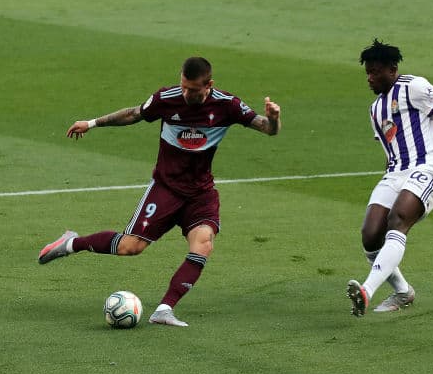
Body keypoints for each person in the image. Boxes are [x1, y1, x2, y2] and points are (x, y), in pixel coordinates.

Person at [37, 57, 281, 327]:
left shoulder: (227, 106)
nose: (186, 93)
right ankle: (71, 243)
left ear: (209, 85)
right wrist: (92, 123)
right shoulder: (167, 98)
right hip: (166, 188)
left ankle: (164, 310)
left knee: (204, 243)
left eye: (193, 90)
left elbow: (268, 129)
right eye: (183, 86)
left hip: (200, 193)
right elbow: (133, 114)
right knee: (130, 247)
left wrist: (273, 119)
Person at [347, 40, 433, 317]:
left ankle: (366, 291)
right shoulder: (375, 110)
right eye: (367, 73)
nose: (369, 78)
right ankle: (403, 292)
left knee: (398, 219)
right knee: (370, 235)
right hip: (396, 172)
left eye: (375, 72)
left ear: (392, 69)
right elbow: (392, 148)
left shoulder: (414, 86)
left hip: (430, 167)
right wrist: (389, 180)